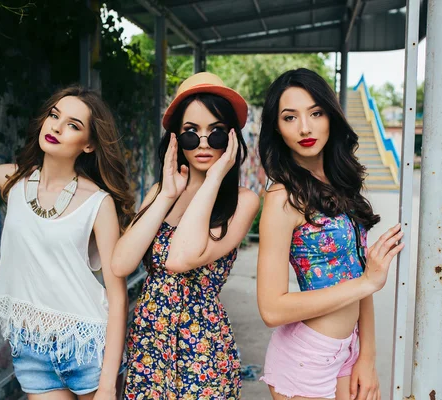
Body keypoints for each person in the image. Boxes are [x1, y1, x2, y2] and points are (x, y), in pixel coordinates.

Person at [0, 86, 134, 399]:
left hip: (87, 346)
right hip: (32, 346)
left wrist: (106, 385)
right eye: (54, 115)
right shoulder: (12, 179)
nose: (57, 127)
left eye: (73, 125)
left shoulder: (98, 203)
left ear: (88, 144)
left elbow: (118, 297)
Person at [256, 69, 404, 400]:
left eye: (315, 113)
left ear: (330, 117)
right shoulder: (283, 197)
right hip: (306, 358)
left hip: (347, 350)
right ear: (277, 129)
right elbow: (271, 309)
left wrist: (367, 357)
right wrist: (367, 282)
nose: (305, 127)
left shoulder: (340, 186)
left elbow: (358, 276)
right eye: (290, 117)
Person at [111, 72, 260, 400]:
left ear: (232, 138)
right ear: (176, 139)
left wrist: (214, 178)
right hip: (150, 339)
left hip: (201, 343)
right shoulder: (161, 193)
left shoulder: (242, 201)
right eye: (191, 134)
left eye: (216, 134)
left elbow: (181, 258)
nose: (204, 143)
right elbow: (121, 264)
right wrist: (166, 195)